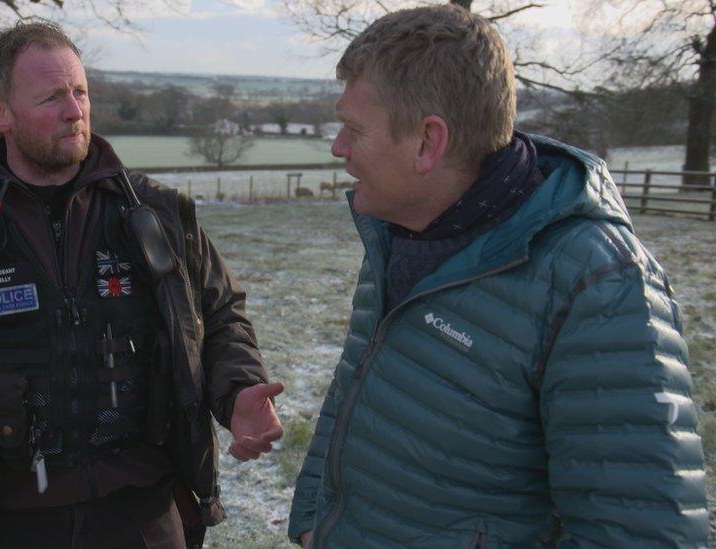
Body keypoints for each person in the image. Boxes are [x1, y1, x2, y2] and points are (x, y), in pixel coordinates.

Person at [0, 21, 284, 548]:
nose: (74, 111)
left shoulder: (153, 216)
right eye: (51, 97)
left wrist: (236, 390)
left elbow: (220, 316)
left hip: (142, 515)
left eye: (80, 92)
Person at [288, 6, 708, 547]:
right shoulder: (398, 232)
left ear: (427, 142)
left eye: (354, 129)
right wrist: (311, 523)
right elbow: (354, 388)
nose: (337, 148)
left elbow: (641, 532)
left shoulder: (598, 283)